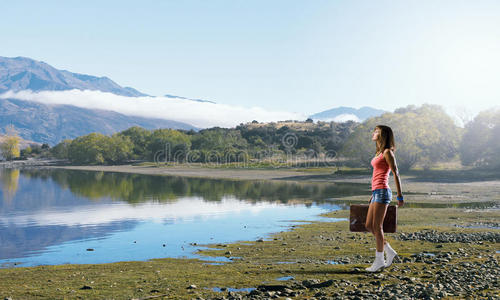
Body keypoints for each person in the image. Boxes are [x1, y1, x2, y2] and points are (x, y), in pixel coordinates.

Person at [364, 125, 404, 272]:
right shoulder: (378, 152)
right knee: (369, 225)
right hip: (376, 192)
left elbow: (396, 174)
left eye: (376, 131)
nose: (373, 133)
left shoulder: (387, 152)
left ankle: (379, 260)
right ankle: (389, 251)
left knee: (377, 227)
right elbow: (377, 175)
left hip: (382, 192)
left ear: (383, 135)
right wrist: (372, 194)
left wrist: (400, 196)